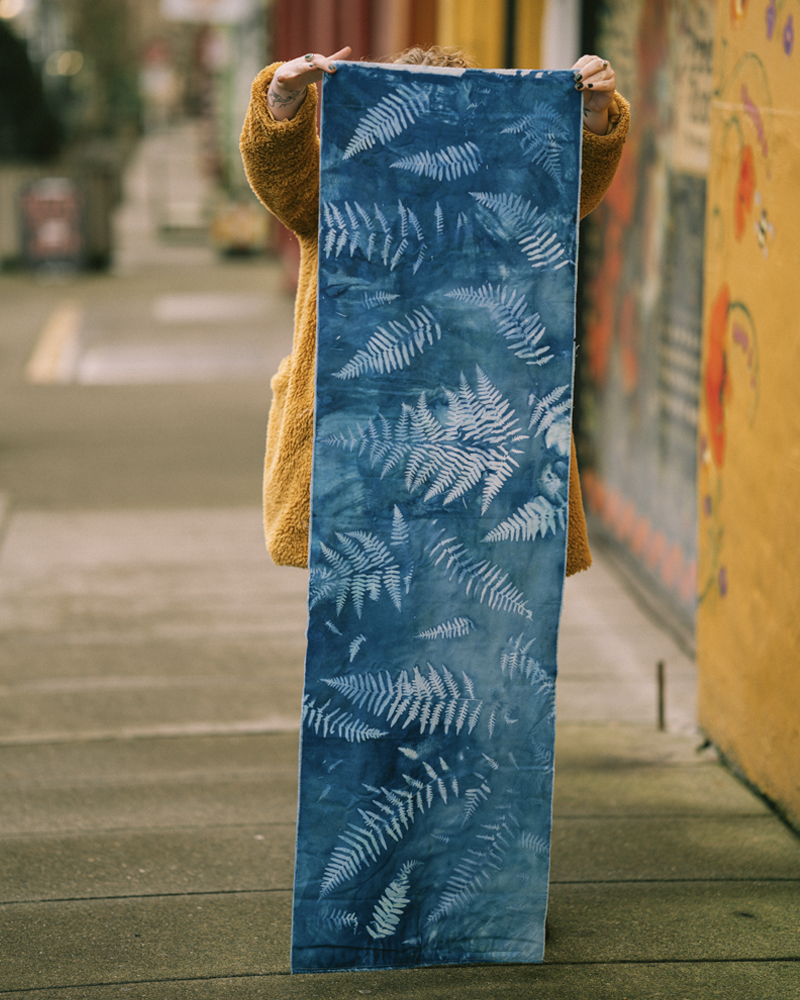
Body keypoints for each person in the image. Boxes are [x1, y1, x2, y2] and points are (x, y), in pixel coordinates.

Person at [240, 45, 629, 575]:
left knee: (479, 625)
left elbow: (562, 191)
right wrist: (283, 93)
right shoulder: (343, 191)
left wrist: (592, 114)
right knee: (363, 632)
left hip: (482, 439)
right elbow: (280, 172)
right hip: (362, 446)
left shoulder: (498, 199)